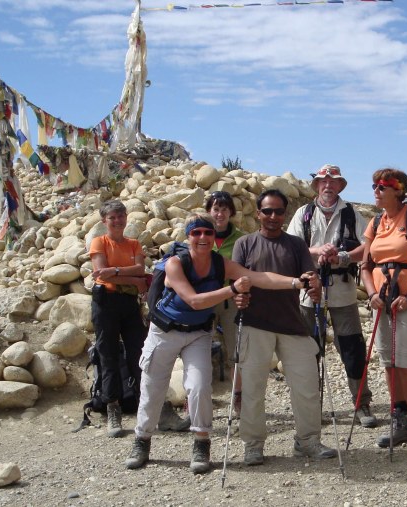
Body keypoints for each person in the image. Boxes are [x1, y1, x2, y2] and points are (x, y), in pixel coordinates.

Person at [125, 212, 313, 473]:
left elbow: (259, 277)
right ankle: (142, 440)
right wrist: (233, 290)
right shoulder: (175, 264)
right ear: (188, 236)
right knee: (153, 388)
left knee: (200, 387)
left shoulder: (219, 263)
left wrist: (296, 283)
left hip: (198, 333)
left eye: (208, 233)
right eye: (196, 233)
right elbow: (194, 300)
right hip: (164, 332)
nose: (202, 237)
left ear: (214, 238)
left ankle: (201, 444)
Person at [232, 189, 337, 466]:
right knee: (254, 388)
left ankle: (308, 441)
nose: (273, 216)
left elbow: (308, 275)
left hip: (292, 322)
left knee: (306, 385)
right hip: (255, 322)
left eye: (279, 211)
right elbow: (238, 280)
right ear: (258, 214)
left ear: (285, 214)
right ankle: (253, 445)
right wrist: (237, 294)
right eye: (267, 211)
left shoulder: (296, 245)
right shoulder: (244, 244)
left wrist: (314, 286)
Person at [286, 164, 377, 429]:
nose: (327, 186)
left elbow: (367, 247)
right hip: (309, 291)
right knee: (308, 349)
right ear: (316, 186)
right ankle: (311, 406)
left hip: (343, 290)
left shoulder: (351, 214)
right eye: (323, 182)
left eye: (333, 182)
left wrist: (343, 256)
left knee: (352, 348)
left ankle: (362, 403)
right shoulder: (304, 214)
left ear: (340, 186)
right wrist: (317, 251)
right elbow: (292, 246)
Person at [360, 168, 407, 460]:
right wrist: (371, 294)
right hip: (383, 301)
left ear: (398, 190)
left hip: (406, 301)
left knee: (405, 364)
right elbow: (366, 266)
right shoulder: (376, 222)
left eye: (382, 186)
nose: (376, 191)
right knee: (389, 363)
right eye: (374, 186)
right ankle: (399, 420)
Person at [89, 200, 149, 438]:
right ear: (104, 221)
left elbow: (137, 271)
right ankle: (111, 406)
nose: (117, 221)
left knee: (139, 352)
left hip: (129, 304)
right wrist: (133, 279)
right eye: (112, 218)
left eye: (120, 216)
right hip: (106, 302)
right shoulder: (99, 242)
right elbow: (99, 272)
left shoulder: (134, 243)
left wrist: (114, 272)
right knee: (108, 353)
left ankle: (148, 404)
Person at [205, 191, 246, 416]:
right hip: (206, 300)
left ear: (231, 212)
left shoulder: (241, 238)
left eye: (224, 209)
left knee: (235, 351)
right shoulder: (201, 234)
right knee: (200, 351)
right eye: (216, 209)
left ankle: (238, 398)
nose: (220, 214)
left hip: (231, 301)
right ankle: (199, 400)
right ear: (209, 211)